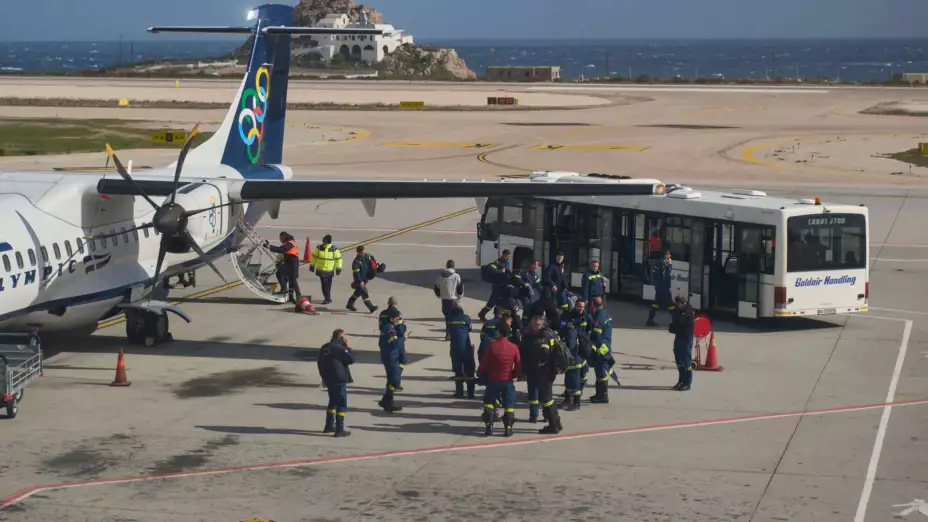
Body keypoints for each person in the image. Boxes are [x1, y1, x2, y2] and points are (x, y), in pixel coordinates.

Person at [477, 321, 521, 437]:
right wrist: (514, 374)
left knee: (489, 403)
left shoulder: (492, 346)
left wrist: (479, 372)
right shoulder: (513, 347)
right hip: (507, 380)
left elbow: (484, 363)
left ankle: (489, 427)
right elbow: (518, 364)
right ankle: (508, 429)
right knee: (509, 404)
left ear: (499, 332)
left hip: (493, 380)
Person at [520, 314, 563, 434]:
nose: (534, 326)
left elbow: (544, 351)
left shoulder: (544, 336)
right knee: (549, 398)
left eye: (536, 324)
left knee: (547, 399)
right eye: (534, 324)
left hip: (544, 372)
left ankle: (553, 426)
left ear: (541, 323)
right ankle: (557, 422)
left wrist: (541, 361)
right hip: (549, 371)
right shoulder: (550, 332)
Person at [317, 329, 354, 437]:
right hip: (338, 378)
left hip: (328, 377)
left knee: (332, 401)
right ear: (341, 338)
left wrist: (323, 376)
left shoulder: (325, 347)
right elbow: (350, 360)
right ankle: (339, 429)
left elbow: (319, 362)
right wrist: (348, 348)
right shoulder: (340, 348)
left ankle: (329, 425)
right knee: (341, 404)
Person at [588, 297, 620, 403]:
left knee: (600, 371)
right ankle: (600, 394)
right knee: (601, 370)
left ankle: (602, 395)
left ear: (594, 305)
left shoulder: (599, 317)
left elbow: (597, 335)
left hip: (600, 347)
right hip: (606, 345)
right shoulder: (606, 314)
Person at [378, 309, 405, 412]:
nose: (398, 320)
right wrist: (403, 338)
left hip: (392, 355)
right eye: (396, 318)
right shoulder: (389, 329)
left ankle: (387, 400)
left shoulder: (392, 326)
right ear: (391, 318)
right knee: (393, 378)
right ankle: (387, 400)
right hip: (389, 356)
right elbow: (394, 344)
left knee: (393, 378)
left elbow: (403, 328)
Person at [447, 303, 476, 398]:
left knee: (458, 371)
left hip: (455, 348)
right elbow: (470, 329)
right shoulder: (467, 317)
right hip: (466, 348)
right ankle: (471, 393)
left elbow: (449, 331)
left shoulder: (450, 318)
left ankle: (459, 392)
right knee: (470, 371)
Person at [265, 232, 302, 307]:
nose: (280, 240)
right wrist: (269, 246)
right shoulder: (287, 243)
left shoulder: (289, 243)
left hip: (293, 263)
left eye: (281, 238)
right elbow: (280, 249)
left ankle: (298, 296)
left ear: (284, 237)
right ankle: (289, 295)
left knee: (293, 280)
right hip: (289, 262)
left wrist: (270, 247)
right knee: (281, 274)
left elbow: (281, 250)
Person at [669, 295, 696, 391]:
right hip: (679, 336)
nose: (677, 306)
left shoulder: (688, 310)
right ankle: (681, 381)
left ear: (683, 303)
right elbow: (673, 323)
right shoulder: (677, 310)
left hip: (686, 337)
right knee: (679, 359)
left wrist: (677, 319)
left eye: (679, 304)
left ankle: (687, 383)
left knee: (686, 360)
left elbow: (680, 321)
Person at [477, 250, 512, 321]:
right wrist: (500, 272)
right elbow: (490, 269)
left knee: (497, 301)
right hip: (497, 285)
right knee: (493, 301)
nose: (509, 257)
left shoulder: (506, 262)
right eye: (508, 255)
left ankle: (489, 315)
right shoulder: (498, 262)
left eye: (509, 256)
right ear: (504, 255)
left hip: (503, 284)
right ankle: (483, 314)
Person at [434, 259, 464, 341]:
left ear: (446, 266)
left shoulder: (440, 275)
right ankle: (456, 333)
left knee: (448, 318)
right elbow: (460, 288)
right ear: (453, 266)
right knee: (457, 317)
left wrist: (440, 296)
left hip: (444, 301)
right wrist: (459, 297)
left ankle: (448, 333)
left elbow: (436, 287)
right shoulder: (456, 276)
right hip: (453, 300)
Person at [310, 234, 343, 305]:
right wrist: (312, 265)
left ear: (329, 242)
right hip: (321, 271)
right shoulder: (318, 248)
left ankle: (328, 297)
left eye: (325, 242)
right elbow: (313, 257)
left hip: (330, 271)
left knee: (328, 285)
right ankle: (327, 298)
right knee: (324, 285)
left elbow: (338, 259)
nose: (323, 243)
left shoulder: (334, 249)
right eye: (323, 241)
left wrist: (338, 268)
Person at [647, 250, 676, 327]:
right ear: (665, 255)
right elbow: (665, 275)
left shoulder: (658, 262)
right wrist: (670, 265)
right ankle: (676, 322)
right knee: (671, 305)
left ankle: (650, 320)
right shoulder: (663, 263)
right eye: (669, 254)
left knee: (656, 304)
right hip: (664, 288)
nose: (670, 256)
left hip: (659, 287)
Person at [348, 245, 379, 313]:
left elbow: (372, 264)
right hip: (360, 280)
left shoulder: (367, 256)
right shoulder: (356, 262)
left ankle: (349, 304)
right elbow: (356, 274)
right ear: (358, 252)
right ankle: (371, 307)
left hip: (365, 278)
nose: (362, 252)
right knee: (364, 293)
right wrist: (360, 281)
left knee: (358, 292)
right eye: (360, 251)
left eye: (362, 251)